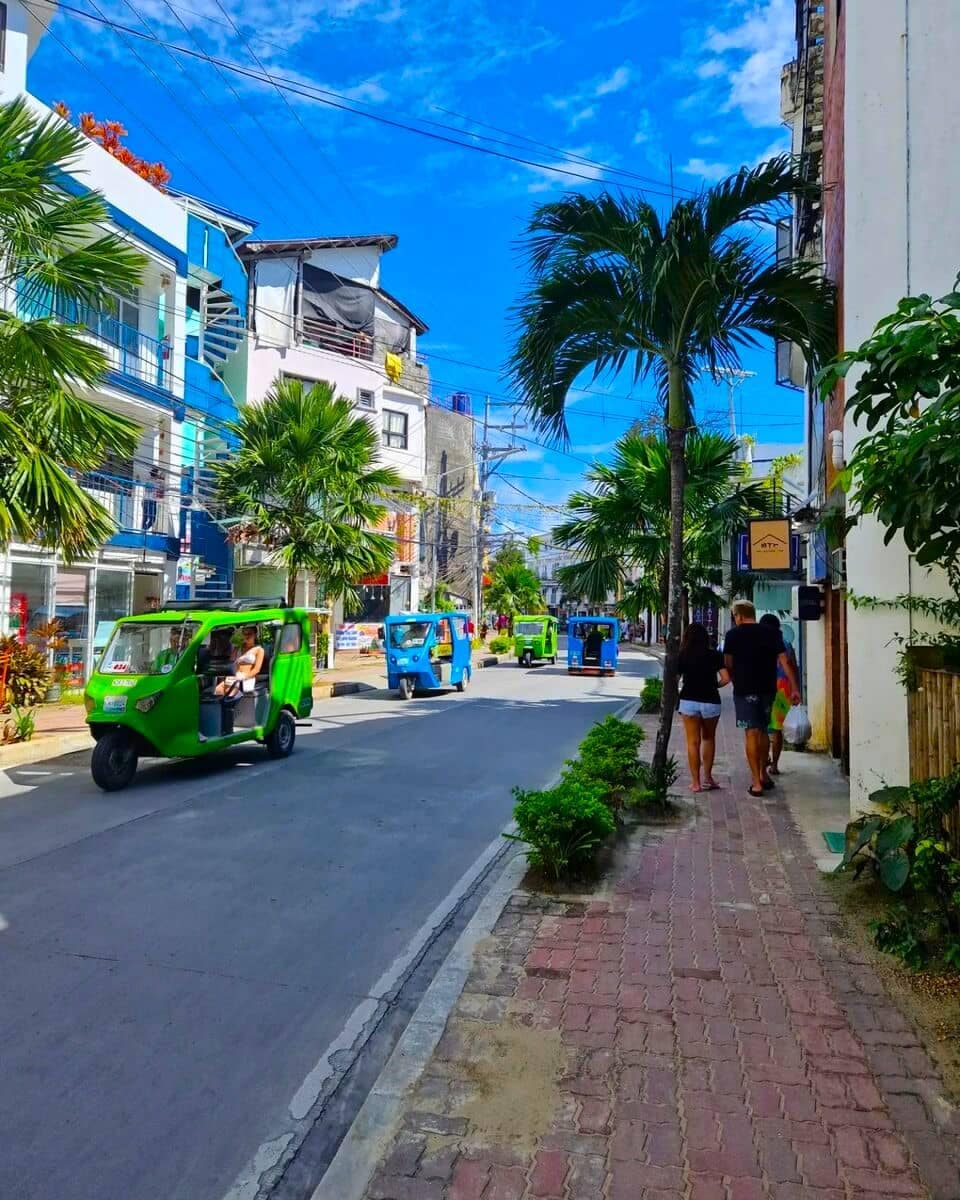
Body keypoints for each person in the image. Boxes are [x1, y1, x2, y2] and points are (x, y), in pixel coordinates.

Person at [723, 600, 801, 797]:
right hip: (768, 689)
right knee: (765, 731)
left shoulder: (732, 635)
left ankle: (756, 782)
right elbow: (785, 662)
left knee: (751, 733)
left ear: (738, 616)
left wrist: (735, 678)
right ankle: (763, 775)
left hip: (744, 690)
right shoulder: (772, 633)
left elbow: (728, 663)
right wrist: (795, 688)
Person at [678, 622, 729, 792]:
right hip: (710, 701)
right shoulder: (715, 655)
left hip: (688, 700)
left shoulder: (683, 655)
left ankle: (695, 783)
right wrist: (715, 686)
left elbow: (674, 679)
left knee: (692, 742)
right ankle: (708, 778)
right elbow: (726, 678)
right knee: (708, 739)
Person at [760, 614, 800, 775]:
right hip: (784, 688)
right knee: (776, 729)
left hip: (764, 686)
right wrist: (796, 688)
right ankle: (774, 765)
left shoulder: (760, 643)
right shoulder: (786, 644)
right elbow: (794, 667)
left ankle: (763, 762)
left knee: (761, 728)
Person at [215, 625, 264, 696]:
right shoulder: (238, 648)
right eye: (244, 633)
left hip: (247, 678)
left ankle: (230, 705)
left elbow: (256, 670)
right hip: (234, 676)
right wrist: (236, 646)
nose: (246, 636)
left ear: (255, 635)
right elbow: (231, 661)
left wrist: (243, 677)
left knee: (230, 692)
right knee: (218, 690)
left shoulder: (259, 650)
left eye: (249, 633)